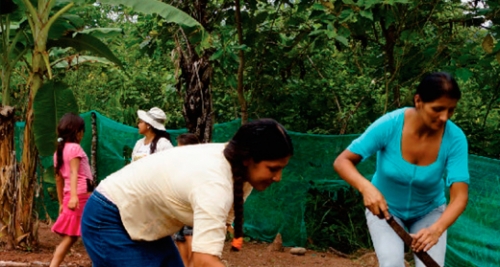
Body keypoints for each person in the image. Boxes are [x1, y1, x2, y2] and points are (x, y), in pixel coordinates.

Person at [81, 118, 293, 267]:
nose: (278, 177)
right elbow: (203, 261)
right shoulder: (215, 184)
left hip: (143, 220)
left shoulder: (236, 168)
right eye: (273, 168)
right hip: (109, 217)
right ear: (249, 159)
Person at [333, 72, 469, 267]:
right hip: (386, 210)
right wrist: (367, 188)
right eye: (437, 109)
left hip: (430, 212)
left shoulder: (455, 139)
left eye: (451, 110)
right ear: (418, 100)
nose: (444, 117)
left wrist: (437, 229)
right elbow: (342, 161)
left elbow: (460, 197)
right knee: (392, 263)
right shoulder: (391, 124)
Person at [50, 113, 94, 267]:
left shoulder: (58, 152)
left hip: (71, 195)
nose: (82, 134)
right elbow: (75, 172)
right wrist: (75, 196)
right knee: (80, 234)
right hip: (81, 195)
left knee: (73, 236)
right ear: (77, 132)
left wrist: (62, 202)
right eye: (82, 131)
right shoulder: (75, 148)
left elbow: (58, 179)